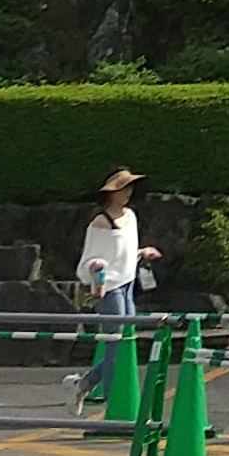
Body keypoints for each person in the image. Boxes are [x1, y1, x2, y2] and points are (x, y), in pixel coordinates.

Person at [72, 166, 158, 405]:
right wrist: (96, 268)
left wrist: (142, 252)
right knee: (115, 342)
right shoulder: (100, 223)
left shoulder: (130, 216)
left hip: (128, 282)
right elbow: (89, 260)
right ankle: (114, 397)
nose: (127, 192)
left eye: (130, 187)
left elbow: (125, 252)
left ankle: (85, 384)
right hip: (109, 288)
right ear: (111, 193)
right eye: (122, 188)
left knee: (124, 341)